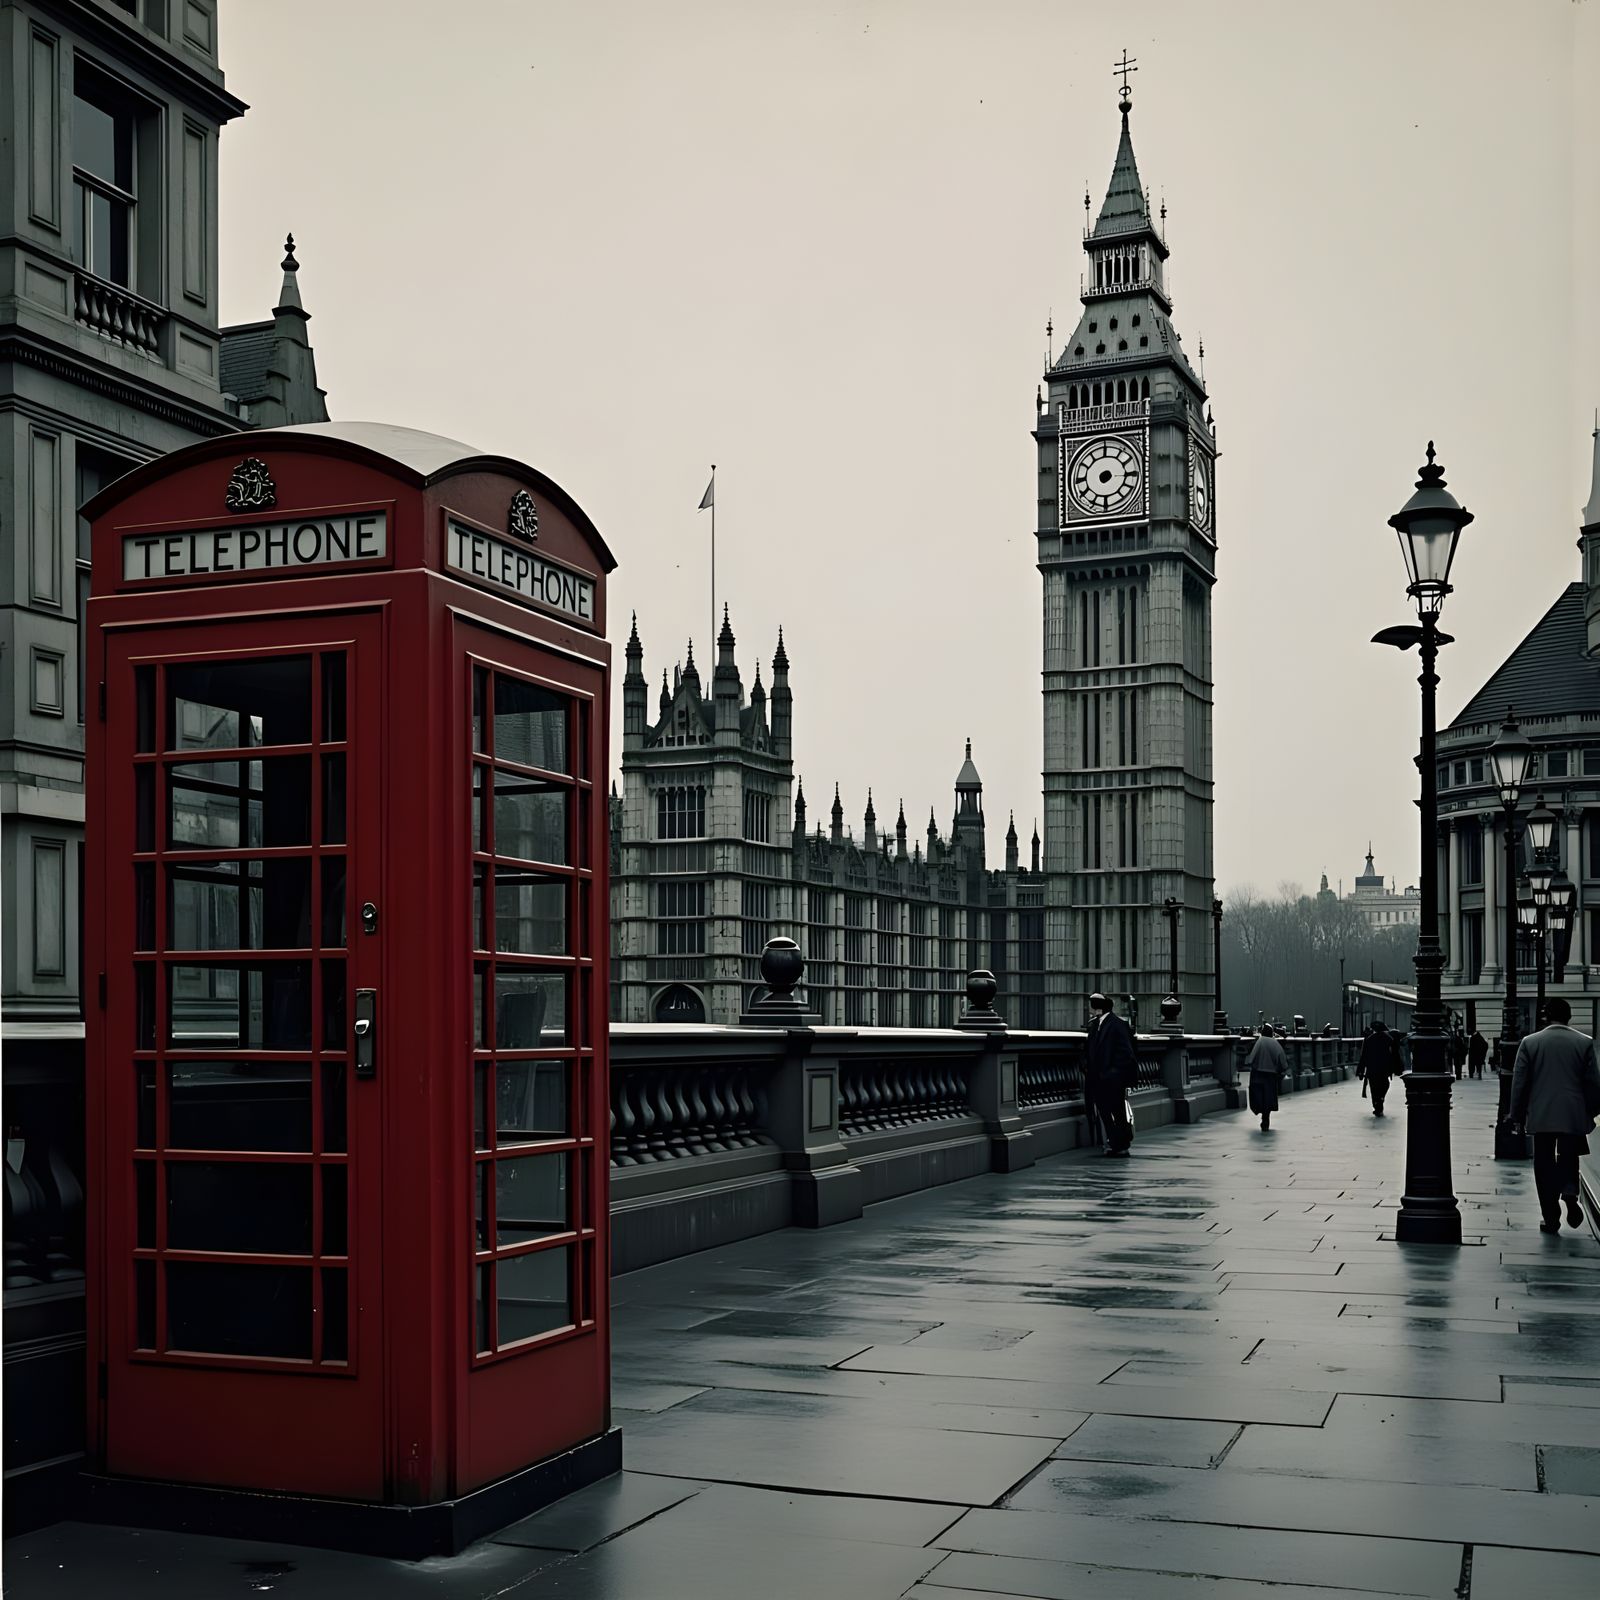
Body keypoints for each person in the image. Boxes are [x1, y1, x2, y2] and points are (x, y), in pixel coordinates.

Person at [1509, 997, 1600, 1234]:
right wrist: (1592, 1111)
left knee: (1544, 1163)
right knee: (1570, 1155)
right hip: (1572, 1112)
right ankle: (1569, 1190)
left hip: (1542, 1113)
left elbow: (1520, 1083)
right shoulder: (1584, 1043)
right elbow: (1592, 1082)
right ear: (1569, 1017)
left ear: (1545, 1017)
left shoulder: (1530, 1043)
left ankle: (1550, 1216)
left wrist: (1516, 1114)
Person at [1086, 991, 1136, 1157]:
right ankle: (1116, 1143)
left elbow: (1126, 1053)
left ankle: (1122, 1144)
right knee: (1105, 1112)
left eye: (1091, 1006)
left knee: (1117, 1112)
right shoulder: (1094, 1025)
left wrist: (1112, 1073)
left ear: (1097, 1008)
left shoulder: (1117, 1024)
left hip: (1112, 1079)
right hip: (1098, 1079)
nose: (1089, 1009)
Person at [1246, 1023, 1289, 1132]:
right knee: (1268, 1097)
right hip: (1271, 1075)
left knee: (1258, 1094)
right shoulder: (1275, 1044)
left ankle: (1260, 1111)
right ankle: (1266, 1117)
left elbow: (1251, 1058)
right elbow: (1283, 1062)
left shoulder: (1259, 1042)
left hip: (1258, 1073)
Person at [1358, 1019, 1401, 1117]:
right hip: (1384, 1066)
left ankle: (1377, 1105)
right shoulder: (1389, 1039)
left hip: (1372, 1067)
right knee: (1384, 1084)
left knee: (1374, 1086)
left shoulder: (1369, 1039)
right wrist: (1398, 1068)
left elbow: (1363, 1056)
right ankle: (1381, 1098)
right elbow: (1395, 1055)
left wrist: (1361, 1070)